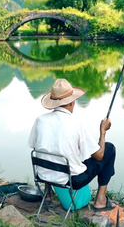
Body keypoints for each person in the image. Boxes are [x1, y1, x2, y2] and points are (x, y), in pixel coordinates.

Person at [28, 78, 117, 211]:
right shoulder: (77, 123)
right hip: (71, 180)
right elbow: (99, 156)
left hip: (42, 175)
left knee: (47, 151)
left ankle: (48, 192)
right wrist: (102, 132)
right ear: (72, 101)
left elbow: (35, 146)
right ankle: (100, 200)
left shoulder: (40, 120)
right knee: (109, 149)